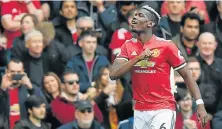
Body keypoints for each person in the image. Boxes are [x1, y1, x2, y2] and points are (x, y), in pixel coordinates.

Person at [109, 5, 208, 129]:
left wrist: (200, 104)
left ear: (150, 23)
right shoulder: (128, 46)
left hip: (163, 108)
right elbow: (113, 74)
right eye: (134, 16)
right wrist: (138, 58)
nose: (134, 19)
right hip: (140, 110)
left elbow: (187, 75)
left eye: (139, 16)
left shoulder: (166, 46)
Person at [0, 58, 42, 129]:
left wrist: (31, 89)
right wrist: (2, 89)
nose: (16, 75)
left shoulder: (31, 87)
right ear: (6, 71)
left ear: (23, 72)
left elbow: (41, 108)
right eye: (12, 71)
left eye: (19, 72)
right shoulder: (1, 89)